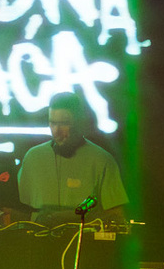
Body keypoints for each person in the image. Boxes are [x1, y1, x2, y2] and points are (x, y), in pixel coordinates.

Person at [17, 91, 127, 221]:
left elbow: (116, 214)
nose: (56, 131)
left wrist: (69, 217)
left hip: (83, 235)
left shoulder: (102, 160)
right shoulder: (33, 157)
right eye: (52, 123)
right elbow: (18, 210)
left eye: (64, 123)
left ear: (79, 122)